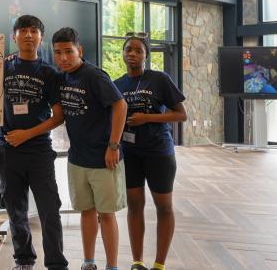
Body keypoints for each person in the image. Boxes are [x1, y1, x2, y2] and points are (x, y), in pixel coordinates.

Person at [0, 14, 69, 270]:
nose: (28, 35)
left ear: (40, 38)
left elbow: (58, 117)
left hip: (39, 152)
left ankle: (56, 263)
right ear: (14, 36)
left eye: (33, 31)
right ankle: (24, 259)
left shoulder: (49, 73)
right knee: (15, 210)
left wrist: (28, 133)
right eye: (22, 31)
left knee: (49, 209)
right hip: (7, 150)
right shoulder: (2, 68)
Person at [51, 27, 127, 270]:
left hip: (104, 158)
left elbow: (120, 105)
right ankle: (88, 261)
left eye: (68, 52)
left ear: (79, 50)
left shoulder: (95, 76)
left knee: (106, 214)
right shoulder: (62, 77)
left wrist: (113, 145)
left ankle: (112, 266)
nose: (63, 57)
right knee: (85, 211)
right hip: (77, 159)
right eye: (58, 52)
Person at [113, 34, 186, 270]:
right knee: (134, 206)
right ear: (123, 54)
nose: (132, 53)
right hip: (130, 153)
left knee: (163, 207)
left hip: (159, 153)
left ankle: (159, 264)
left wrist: (147, 118)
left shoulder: (159, 79)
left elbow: (180, 114)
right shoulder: (117, 84)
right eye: (128, 49)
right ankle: (137, 262)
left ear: (146, 55)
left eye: (138, 50)